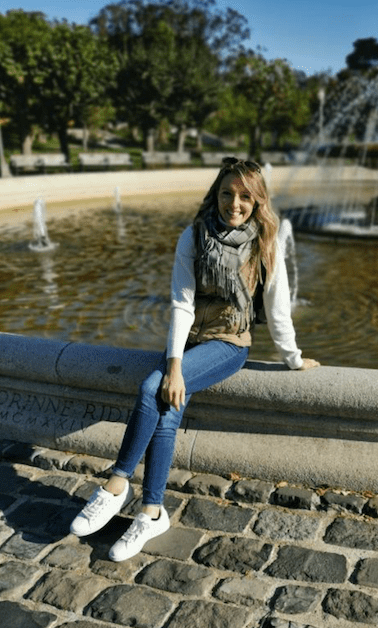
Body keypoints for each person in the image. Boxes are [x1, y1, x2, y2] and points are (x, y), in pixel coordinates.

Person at [70, 157, 320, 561]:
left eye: (244, 196)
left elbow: (277, 311)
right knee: (167, 405)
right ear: (215, 195)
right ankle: (152, 512)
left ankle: (116, 484)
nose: (234, 204)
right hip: (188, 343)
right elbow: (181, 304)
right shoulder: (194, 235)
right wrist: (174, 365)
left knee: (150, 389)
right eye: (227, 193)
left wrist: (294, 359)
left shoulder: (266, 243)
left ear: (258, 201)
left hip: (228, 344)